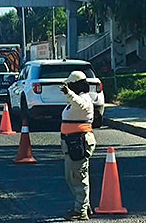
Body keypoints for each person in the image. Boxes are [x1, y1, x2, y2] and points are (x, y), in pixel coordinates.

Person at [59, 71, 96, 221]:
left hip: (78, 142)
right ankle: (83, 205)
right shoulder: (77, 99)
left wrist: (68, 94)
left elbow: (79, 104)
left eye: (70, 84)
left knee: (79, 177)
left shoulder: (84, 100)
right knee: (71, 176)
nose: (68, 87)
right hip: (71, 142)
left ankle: (80, 210)